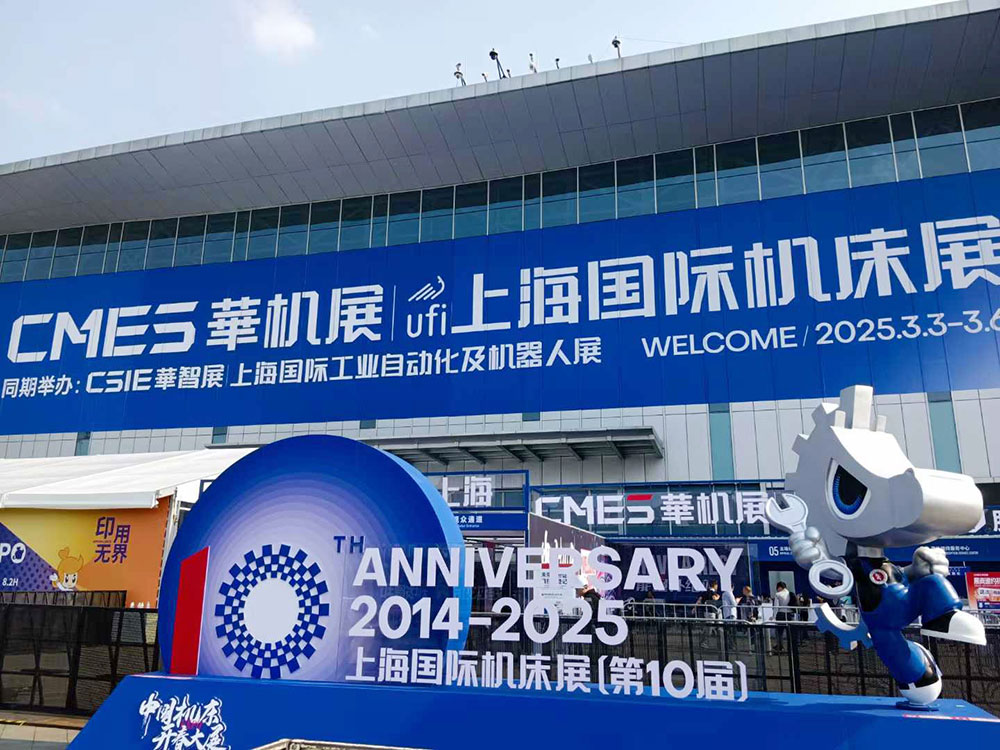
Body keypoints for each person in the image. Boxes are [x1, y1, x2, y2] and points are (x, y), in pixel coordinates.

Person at [773, 582, 793, 653]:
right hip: (790, 614)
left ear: (779, 587)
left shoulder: (778, 594)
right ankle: (790, 648)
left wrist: (774, 616)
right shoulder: (790, 594)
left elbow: (776, 606)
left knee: (779, 632)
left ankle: (780, 647)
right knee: (789, 632)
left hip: (781, 614)